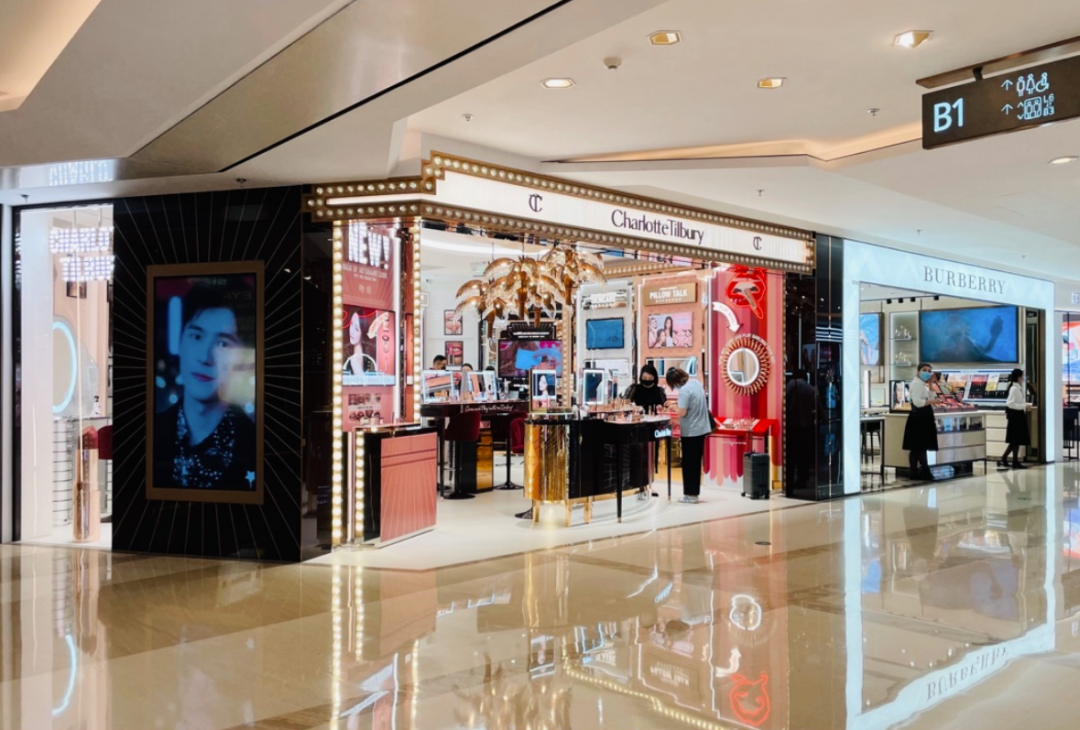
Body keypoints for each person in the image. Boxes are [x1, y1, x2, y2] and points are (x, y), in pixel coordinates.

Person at [154, 282, 257, 491]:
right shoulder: (153, 432)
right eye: (197, 336)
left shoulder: (254, 441)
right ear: (180, 342)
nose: (205, 357)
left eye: (223, 344)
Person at [666, 367, 711, 503]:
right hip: (701, 429)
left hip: (691, 432)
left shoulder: (684, 390)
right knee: (695, 464)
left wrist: (674, 407)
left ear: (674, 382)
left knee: (689, 464)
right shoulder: (696, 383)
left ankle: (690, 495)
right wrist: (677, 403)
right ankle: (693, 494)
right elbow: (692, 403)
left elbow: (683, 412)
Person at [903, 363, 941, 481]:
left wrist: (931, 384)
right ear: (918, 371)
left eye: (929, 371)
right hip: (919, 418)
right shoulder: (916, 384)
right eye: (924, 370)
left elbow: (930, 396)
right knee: (919, 448)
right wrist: (933, 402)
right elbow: (918, 402)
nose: (927, 373)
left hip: (923, 417)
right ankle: (925, 473)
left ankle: (915, 472)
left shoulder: (922, 384)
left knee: (917, 448)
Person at [785, 370, 818, 490]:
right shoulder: (810, 388)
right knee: (803, 455)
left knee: (791, 455)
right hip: (806, 426)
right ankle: (802, 479)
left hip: (793, 424)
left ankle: (789, 481)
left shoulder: (792, 384)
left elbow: (785, 399)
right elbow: (816, 405)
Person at [999, 368, 1033, 469]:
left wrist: (1025, 405)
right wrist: (1024, 406)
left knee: (1015, 440)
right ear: (1019, 377)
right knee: (1015, 440)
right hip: (1016, 417)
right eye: (1022, 376)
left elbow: (1017, 402)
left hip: (1018, 416)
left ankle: (1005, 459)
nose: (1023, 378)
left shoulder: (1017, 388)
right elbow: (1010, 403)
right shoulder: (1014, 389)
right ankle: (1013, 461)